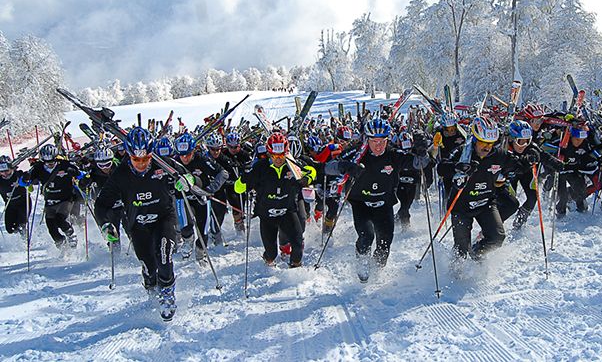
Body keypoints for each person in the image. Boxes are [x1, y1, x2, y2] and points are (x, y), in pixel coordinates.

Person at [325, 118, 429, 282]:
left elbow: (419, 164)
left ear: (388, 139)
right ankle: (361, 259)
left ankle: (376, 269)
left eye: (382, 141)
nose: (378, 145)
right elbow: (328, 167)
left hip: (384, 203)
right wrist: (345, 166)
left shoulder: (394, 155)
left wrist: (422, 149)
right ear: (367, 139)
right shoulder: (356, 154)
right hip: (361, 204)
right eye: (374, 141)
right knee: (367, 236)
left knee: (385, 243)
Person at [94, 127, 179, 321]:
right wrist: (105, 224)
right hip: (138, 224)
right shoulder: (121, 174)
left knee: (164, 254)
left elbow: (187, 177)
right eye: (136, 159)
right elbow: (101, 204)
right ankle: (150, 283)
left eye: (146, 159)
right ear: (129, 155)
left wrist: (187, 180)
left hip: (163, 218)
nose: (141, 164)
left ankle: (167, 293)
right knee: (149, 265)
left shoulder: (163, 165)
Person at [235, 132, 315, 267]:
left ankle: (295, 272)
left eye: (282, 155)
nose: (278, 159)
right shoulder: (260, 167)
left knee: (298, 245)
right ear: (269, 153)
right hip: (267, 216)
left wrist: (307, 178)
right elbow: (238, 188)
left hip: (287, 212)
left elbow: (312, 170)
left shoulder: (293, 165)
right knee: (272, 254)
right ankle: (267, 263)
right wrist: (245, 179)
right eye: (275, 155)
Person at [439, 116, 511, 261]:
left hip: (485, 203)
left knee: (497, 238)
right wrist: (457, 167)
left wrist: (531, 158)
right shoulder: (462, 152)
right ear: (475, 139)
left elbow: (517, 163)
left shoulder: (497, 154)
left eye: (491, 144)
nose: (487, 147)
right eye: (483, 143)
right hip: (461, 206)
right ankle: (456, 274)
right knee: (461, 249)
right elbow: (441, 168)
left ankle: (476, 254)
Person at [173, 133, 228, 261]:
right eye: (181, 154)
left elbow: (222, 173)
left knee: (203, 233)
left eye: (188, 154)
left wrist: (211, 189)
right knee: (186, 229)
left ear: (193, 150)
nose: (184, 158)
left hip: (202, 199)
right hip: (183, 199)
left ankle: (200, 251)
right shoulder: (174, 161)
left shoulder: (202, 160)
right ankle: (188, 240)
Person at [20, 144, 83, 250]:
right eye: (47, 162)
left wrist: (81, 174)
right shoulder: (38, 168)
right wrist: (25, 178)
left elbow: (81, 175)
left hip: (66, 198)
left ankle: (72, 236)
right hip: (50, 201)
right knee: (51, 227)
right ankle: (61, 244)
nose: (50, 164)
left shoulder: (65, 165)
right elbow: (24, 183)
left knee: (60, 219)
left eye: (52, 161)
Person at [0, 155, 30, 237]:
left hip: (23, 202)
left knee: (21, 223)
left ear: (12, 168)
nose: (5, 174)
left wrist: (26, 178)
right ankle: (19, 238)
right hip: (10, 204)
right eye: (1, 171)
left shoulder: (18, 175)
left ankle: (25, 239)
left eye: (7, 171)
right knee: (10, 229)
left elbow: (28, 184)